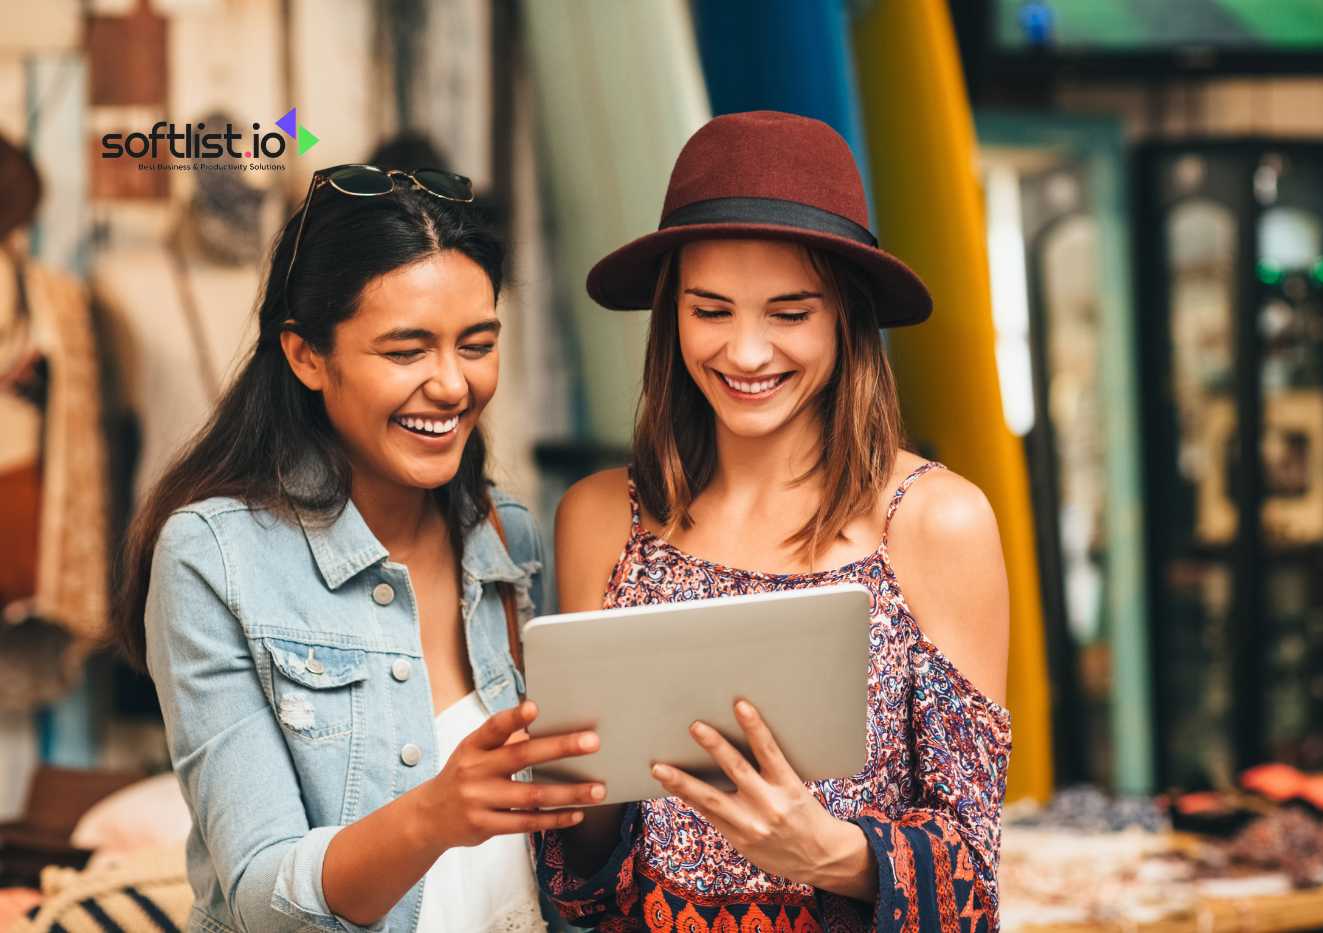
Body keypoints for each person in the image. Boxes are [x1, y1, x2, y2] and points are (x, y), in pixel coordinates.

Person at [537, 111, 1012, 931]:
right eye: (710, 310)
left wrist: (829, 851)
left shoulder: (936, 521)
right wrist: (556, 784)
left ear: (845, 318)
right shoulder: (599, 518)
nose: (747, 353)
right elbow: (577, 884)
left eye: (789, 313)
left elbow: (973, 881)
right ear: (670, 316)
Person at [113, 164, 604, 932]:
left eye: (476, 344)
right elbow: (257, 891)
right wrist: (434, 814)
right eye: (406, 351)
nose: (451, 384)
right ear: (307, 355)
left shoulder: (508, 534)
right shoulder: (215, 558)